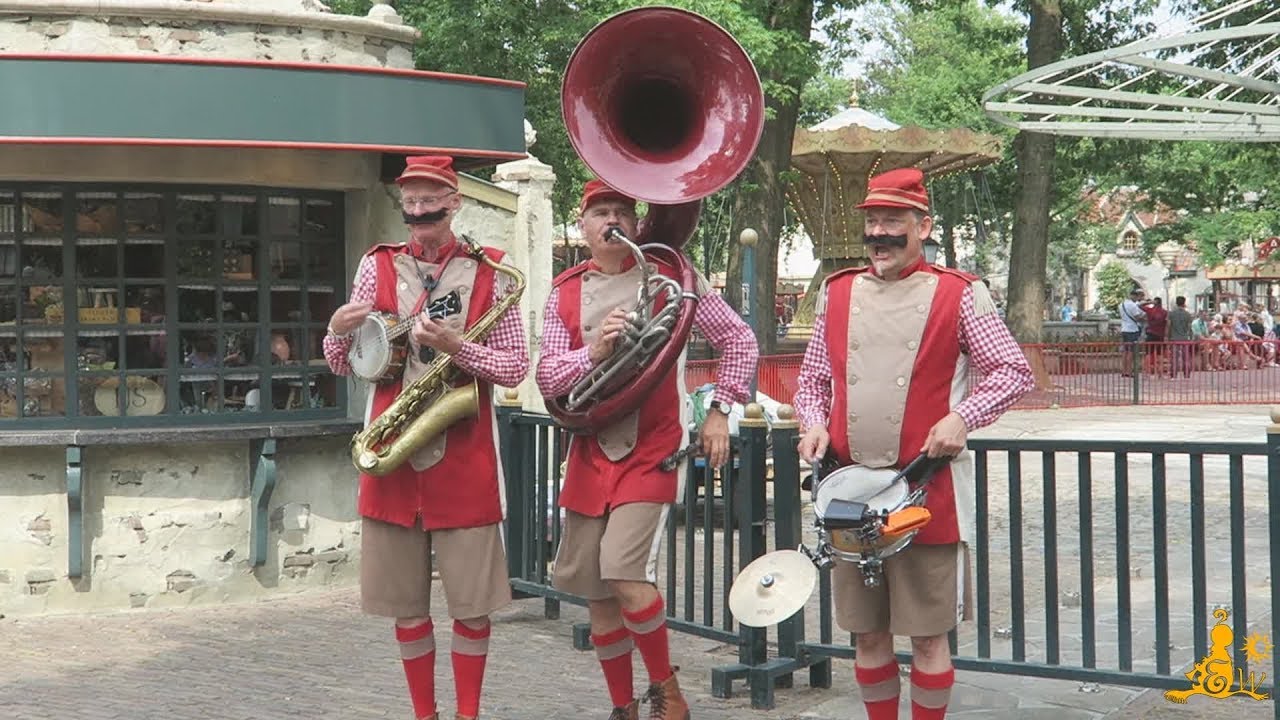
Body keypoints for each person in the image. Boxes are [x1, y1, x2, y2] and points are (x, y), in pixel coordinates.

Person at [792, 168, 1033, 720]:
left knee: (927, 638)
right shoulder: (837, 291)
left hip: (926, 495)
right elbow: (812, 381)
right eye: (872, 222)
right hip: (848, 495)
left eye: (893, 222)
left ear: (923, 226)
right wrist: (812, 422)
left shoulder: (961, 293)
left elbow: (1011, 372)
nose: (879, 233)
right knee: (867, 635)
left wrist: (962, 418)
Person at [536, 179, 759, 720]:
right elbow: (546, 375)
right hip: (590, 449)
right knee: (592, 588)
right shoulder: (564, 289)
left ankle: (668, 694)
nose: (611, 221)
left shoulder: (671, 279)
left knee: (623, 572)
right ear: (582, 226)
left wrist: (718, 411)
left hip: (651, 447)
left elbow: (741, 341)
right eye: (599, 212)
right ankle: (624, 706)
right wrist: (594, 352)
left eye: (621, 211)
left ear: (636, 224)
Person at [322, 155, 529, 720]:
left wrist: (459, 348)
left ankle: (467, 714)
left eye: (430, 201)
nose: (419, 213)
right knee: (406, 609)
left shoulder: (494, 272)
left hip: (463, 455)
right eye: (410, 203)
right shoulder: (377, 266)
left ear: (454, 200)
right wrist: (336, 334)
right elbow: (346, 364)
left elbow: (516, 368)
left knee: (473, 608)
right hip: (393, 453)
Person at [1118, 289, 1146, 377]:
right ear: (1134, 296)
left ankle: (1123, 370)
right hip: (1132, 330)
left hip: (1124, 329)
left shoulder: (1121, 305)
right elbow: (1137, 317)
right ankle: (1129, 371)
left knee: (1125, 351)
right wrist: (1144, 317)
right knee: (1131, 351)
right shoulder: (1132, 306)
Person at [1167, 296, 1193, 378]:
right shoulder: (1188, 314)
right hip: (1185, 338)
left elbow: (1168, 326)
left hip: (1174, 338)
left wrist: (1167, 336)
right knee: (1186, 357)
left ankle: (1174, 375)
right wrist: (1190, 336)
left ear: (1176, 303)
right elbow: (1189, 327)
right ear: (1184, 303)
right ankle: (1187, 375)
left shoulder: (1171, 314)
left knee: (1174, 358)